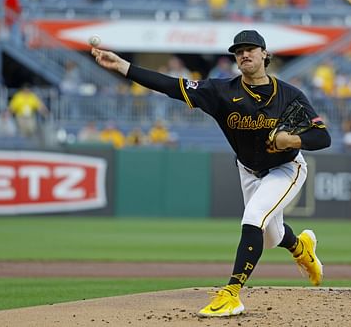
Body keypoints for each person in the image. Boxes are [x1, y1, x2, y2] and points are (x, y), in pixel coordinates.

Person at [91, 29, 331, 317]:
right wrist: (123, 67)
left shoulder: (291, 96)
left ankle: (232, 293)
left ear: (265, 54)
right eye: (238, 50)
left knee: (254, 217)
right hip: (248, 170)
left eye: (250, 49)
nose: (244, 54)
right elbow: (170, 85)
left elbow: (322, 137)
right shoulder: (221, 92)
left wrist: (291, 140)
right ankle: (300, 247)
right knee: (270, 235)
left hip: (286, 167)